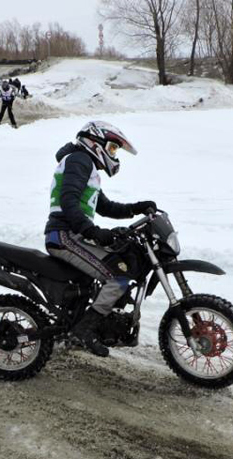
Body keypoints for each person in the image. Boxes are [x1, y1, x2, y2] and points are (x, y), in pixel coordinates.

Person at [44, 121, 156, 357]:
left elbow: (104, 206)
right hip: (65, 234)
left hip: (71, 233)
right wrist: (92, 232)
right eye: (113, 148)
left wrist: (137, 208)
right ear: (96, 142)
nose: (113, 155)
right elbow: (69, 202)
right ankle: (84, 331)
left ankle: (78, 323)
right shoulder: (79, 161)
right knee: (119, 275)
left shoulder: (84, 165)